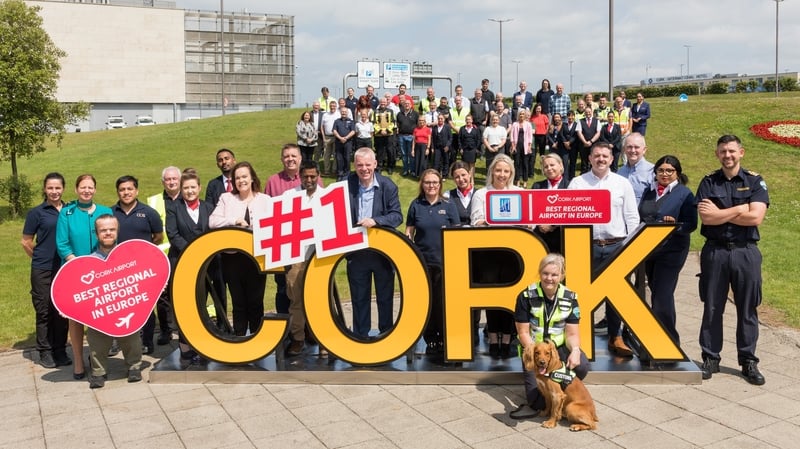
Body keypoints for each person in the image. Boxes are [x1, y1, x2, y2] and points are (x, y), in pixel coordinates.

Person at [696, 135, 768, 385]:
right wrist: (739, 209)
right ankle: (710, 357)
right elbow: (707, 218)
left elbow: (756, 218)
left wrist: (721, 213)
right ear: (717, 154)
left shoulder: (754, 181)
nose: (727, 155)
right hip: (715, 252)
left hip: (745, 251)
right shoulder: (709, 181)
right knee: (712, 306)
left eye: (731, 151)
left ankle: (748, 360)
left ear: (741, 153)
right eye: (723, 151)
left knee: (747, 307)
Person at [568, 143, 639, 357]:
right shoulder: (577, 183)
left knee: (616, 295)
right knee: (579, 294)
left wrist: (630, 247)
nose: (601, 159)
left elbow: (632, 217)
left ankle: (615, 336)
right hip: (585, 246)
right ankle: (578, 338)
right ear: (589, 158)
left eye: (605, 156)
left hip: (616, 245)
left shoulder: (622, 183)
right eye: (597, 155)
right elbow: (568, 215)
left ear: (611, 159)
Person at [509, 253, 589, 419]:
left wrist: (575, 350)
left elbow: (572, 333)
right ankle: (551, 394)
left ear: (562, 275)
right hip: (534, 350)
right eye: (545, 273)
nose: (549, 278)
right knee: (537, 403)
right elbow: (523, 332)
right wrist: (533, 354)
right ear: (540, 273)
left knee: (582, 365)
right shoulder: (526, 296)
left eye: (554, 274)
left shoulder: (570, 297)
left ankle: (561, 392)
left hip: (558, 350)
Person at [56, 174, 113, 380]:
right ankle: (79, 361)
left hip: (100, 272)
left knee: (99, 316)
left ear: (95, 190)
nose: (86, 191)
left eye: (90, 187)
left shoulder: (106, 212)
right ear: (76, 189)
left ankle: (98, 360)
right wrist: (78, 265)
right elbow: (62, 243)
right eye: (83, 187)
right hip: (74, 272)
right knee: (76, 319)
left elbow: (111, 240)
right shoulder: (67, 213)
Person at [639, 155, 697, 346]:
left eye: (669, 171)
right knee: (655, 292)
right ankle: (652, 336)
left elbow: (691, 224)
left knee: (662, 295)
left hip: (672, 251)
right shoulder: (649, 191)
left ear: (677, 173)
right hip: (649, 251)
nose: (665, 174)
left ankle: (669, 342)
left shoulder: (684, 194)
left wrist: (675, 225)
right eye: (661, 170)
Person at [346, 148, 403, 338]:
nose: (364, 169)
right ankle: (360, 337)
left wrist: (376, 221)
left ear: (375, 164)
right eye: (360, 165)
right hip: (356, 253)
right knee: (359, 299)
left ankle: (385, 336)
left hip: (382, 254)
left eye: (368, 165)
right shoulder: (346, 184)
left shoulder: (388, 186)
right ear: (355, 165)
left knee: (385, 298)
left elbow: (397, 216)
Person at [209, 162, 271, 336]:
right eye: (237, 178)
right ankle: (240, 337)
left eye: (244, 176)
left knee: (256, 301)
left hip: (257, 258)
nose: (241, 180)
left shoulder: (265, 200)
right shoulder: (226, 198)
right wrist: (234, 221)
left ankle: (257, 338)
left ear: (252, 178)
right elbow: (212, 221)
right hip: (232, 259)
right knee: (238, 302)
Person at [471, 154, 523, 358]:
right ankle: (493, 339)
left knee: (512, 297)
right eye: (498, 170)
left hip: (515, 253)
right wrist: (494, 220)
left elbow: (530, 221)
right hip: (489, 254)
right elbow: (476, 220)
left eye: (506, 171)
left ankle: (508, 339)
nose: (502, 174)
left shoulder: (519, 193)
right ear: (492, 171)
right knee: (492, 297)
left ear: (511, 173)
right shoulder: (481, 194)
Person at [84, 214, 144, 388]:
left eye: (112, 229)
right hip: (101, 308)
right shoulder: (89, 262)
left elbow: (142, 278)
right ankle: (98, 372)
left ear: (117, 231)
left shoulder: (129, 257)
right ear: (97, 234)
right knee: (96, 338)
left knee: (131, 334)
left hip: (126, 306)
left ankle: (134, 366)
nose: (108, 233)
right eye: (103, 230)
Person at [405, 169, 460, 354]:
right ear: (422, 184)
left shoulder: (449, 205)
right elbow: (409, 231)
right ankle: (430, 338)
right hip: (423, 262)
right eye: (428, 182)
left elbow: (457, 234)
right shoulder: (416, 205)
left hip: (444, 262)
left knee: (442, 302)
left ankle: (444, 336)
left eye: (435, 182)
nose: (431, 186)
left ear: (440, 184)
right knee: (426, 301)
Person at [166, 170, 215, 364]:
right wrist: (193, 251)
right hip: (181, 262)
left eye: (193, 187)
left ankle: (202, 343)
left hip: (205, 264)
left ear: (199, 188)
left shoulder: (209, 207)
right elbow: (172, 233)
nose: (189, 191)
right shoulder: (174, 208)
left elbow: (213, 232)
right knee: (185, 305)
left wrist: (202, 253)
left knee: (201, 304)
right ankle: (185, 346)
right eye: (186, 188)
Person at [111, 175, 164, 355]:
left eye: (129, 189)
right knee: (119, 306)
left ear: (136, 191)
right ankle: (118, 340)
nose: (126, 192)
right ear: (118, 192)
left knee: (145, 306)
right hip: (118, 269)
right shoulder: (110, 213)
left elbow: (158, 237)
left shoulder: (149, 213)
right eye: (122, 189)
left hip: (143, 268)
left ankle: (146, 341)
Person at [22, 173, 69, 368]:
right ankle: (45, 351)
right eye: (50, 188)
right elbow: (26, 241)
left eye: (57, 188)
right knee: (44, 310)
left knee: (62, 311)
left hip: (65, 268)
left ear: (63, 189)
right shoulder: (37, 213)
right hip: (43, 269)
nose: (54, 191)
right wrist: (39, 257)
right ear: (44, 189)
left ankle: (60, 349)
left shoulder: (70, 210)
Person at [264, 144, 313, 315]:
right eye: (286, 156)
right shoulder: (273, 181)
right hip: (283, 245)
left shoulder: (311, 178)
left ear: (300, 158)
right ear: (281, 159)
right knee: (283, 288)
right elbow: (267, 213)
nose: (290, 159)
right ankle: (285, 325)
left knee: (309, 288)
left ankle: (308, 327)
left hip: (308, 246)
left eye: (293, 156)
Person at [285, 160, 326, 356]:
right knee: (296, 300)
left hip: (320, 257)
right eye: (305, 176)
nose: (309, 180)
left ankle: (324, 338)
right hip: (296, 256)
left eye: (312, 176)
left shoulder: (327, 196)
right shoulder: (289, 197)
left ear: (318, 176)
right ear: (299, 177)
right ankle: (298, 338)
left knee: (321, 299)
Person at [204, 149, 235, 328]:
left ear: (233, 160)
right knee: (220, 287)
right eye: (220, 160)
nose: (224, 162)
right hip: (219, 246)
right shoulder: (213, 185)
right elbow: (210, 212)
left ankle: (242, 325)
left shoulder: (241, 181)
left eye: (227, 158)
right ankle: (223, 324)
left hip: (240, 243)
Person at [532, 153, 569, 254]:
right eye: (546, 166)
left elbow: (571, 211)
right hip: (540, 234)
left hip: (562, 235)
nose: (549, 168)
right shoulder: (537, 186)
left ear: (561, 165)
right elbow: (532, 209)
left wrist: (553, 225)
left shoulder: (570, 186)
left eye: (552, 165)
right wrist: (540, 224)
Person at [617, 133, 655, 202]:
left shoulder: (652, 171)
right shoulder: (620, 172)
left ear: (644, 150)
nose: (633, 150)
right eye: (629, 147)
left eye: (636, 147)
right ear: (624, 149)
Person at [509, 109, 534, 188]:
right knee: (517, 163)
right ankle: (517, 180)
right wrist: (513, 145)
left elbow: (530, 136)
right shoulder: (515, 124)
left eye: (523, 114)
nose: (522, 115)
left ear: (525, 115)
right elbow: (511, 135)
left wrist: (529, 146)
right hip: (517, 146)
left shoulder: (528, 124)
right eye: (520, 114)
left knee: (525, 163)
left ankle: (525, 181)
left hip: (525, 146)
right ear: (518, 115)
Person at [372, 97, 396, 174]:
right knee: (379, 152)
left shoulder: (391, 111)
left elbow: (393, 122)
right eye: (381, 102)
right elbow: (373, 122)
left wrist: (387, 130)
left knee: (390, 151)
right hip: (379, 135)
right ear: (379, 103)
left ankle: (390, 167)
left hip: (389, 134)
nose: (383, 103)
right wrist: (380, 131)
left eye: (384, 102)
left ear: (387, 103)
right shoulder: (375, 112)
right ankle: (379, 167)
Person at [396, 99, 418, 177]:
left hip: (411, 136)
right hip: (402, 136)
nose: (407, 105)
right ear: (403, 105)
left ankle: (412, 170)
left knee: (411, 154)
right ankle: (405, 169)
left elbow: (418, 125)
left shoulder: (415, 114)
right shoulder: (399, 114)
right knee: (404, 154)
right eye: (405, 104)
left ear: (411, 105)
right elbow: (397, 124)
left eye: (408, 103)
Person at [332, 106, 356, 180]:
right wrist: (340, 138)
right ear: (340, 112)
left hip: (348, 142)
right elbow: (334, 131)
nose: (344, 113)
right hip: (338, 142)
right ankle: (340, 174)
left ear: (347, 113)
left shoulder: (351, 121)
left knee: (347, 158)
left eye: (345, 112)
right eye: (342, 112)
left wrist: (346, 138)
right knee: (339, 158)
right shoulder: (337, 121)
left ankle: (347, 174)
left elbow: (353, 131)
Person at [577, 108, 600, 174]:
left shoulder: (596, 121)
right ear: (584, 113)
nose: (588, 113)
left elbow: (598, 132)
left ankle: (594, 174)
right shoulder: (580, 121)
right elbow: (579, 132)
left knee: (593, 160)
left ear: (591, 112)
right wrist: (585, 142)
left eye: (589, 112)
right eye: (586, 112)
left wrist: (591, 141)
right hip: (583, 145)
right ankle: (584, 174)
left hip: (593, 145)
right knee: (584, 161)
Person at [458, 115, 481, 180]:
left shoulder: (476, 129)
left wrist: (476, 148)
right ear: (465, 120)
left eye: (469, 119)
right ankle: (466, 179)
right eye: (467, 119)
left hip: (472, 150)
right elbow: (459, 139)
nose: (468, 121)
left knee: (472, 165)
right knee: (465, 166)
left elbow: (479, 139)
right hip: (464, 150)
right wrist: (460, 148)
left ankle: (472, 180)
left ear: (472, 120)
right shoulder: (462, 129)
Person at [320, 100, 339, 176]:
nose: (332, 107)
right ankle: (326, 170)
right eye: (331, 106)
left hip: (336, 137)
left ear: (336, 107)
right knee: (326, 155)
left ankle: (334, 170)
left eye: (334, 106)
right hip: (327, 137)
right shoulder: (325, 115)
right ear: (329, 106)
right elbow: (322, 127)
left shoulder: (338, 114)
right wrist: (323, 137)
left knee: (335, 154)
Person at [562, 110, 580, 180]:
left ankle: (572, 177)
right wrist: (565, 142)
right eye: (569, 116)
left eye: (572, 116)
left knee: (573, 162)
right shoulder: (564, 124)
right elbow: (561, 134)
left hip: (573, 146)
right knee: (565, 162)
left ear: (574, 116)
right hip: (565, 147)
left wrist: (569, 142)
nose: (570, 117)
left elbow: (576, 135)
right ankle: (565, 177)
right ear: (567, 117)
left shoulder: (576, 125)